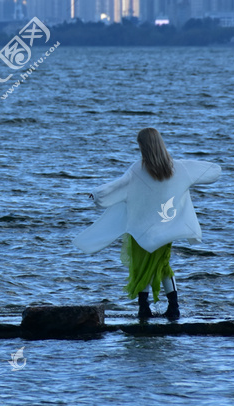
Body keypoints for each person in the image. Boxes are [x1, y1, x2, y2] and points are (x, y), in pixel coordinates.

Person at [72, 128, 221, 320]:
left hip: (141, 230)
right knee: (163, 265)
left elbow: (117, 185)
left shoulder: (137, 169)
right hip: (166, 229)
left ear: (143, 147)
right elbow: (213, 171)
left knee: (140, 266)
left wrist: (97, 194)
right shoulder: (178, 168)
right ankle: (173, 308)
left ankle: (144, 309)